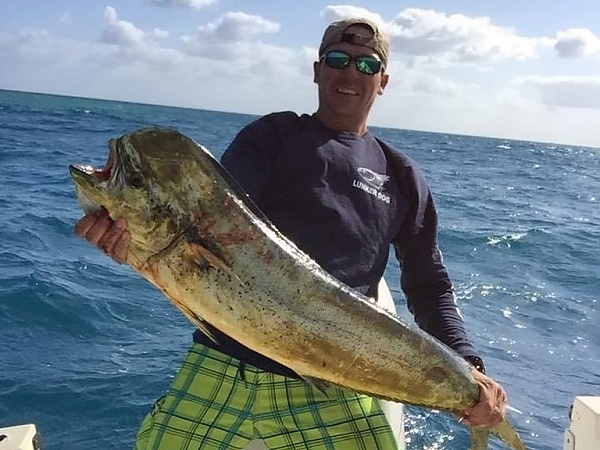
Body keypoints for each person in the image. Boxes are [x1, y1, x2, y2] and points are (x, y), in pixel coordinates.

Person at [75, 17, 508, 450]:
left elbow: (429, 284)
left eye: (366, 64)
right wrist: (126, 237)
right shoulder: (273, 136)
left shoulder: (401, 175)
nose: (350, 72)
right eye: (337, 59)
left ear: (383, 81)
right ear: (317, 70)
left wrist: (468, 367)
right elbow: (211, 221)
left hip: (336, 376)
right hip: (226, 359)